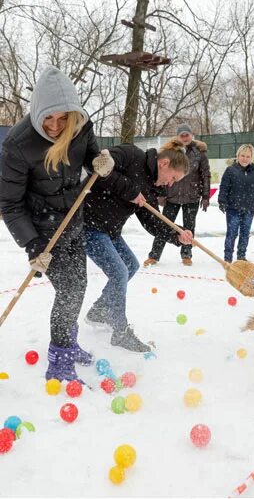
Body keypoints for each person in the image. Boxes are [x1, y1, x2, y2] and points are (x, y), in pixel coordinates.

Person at [0, 66, 111, 381]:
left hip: (73, 221)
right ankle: (59, 361)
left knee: (79, 285)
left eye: (63, 118)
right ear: (36, 112)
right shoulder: (18, 144)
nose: (54, 126)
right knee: (70, 289)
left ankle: (69, 342)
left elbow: (90, 156)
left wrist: (98, 163)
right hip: (43, 231)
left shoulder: (81, 126)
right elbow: (9, 202)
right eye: (48, 118)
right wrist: (32, 244)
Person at [84, 139, 193, 352]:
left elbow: (152, 221)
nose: (171, 184)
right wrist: (130, 190)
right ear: (164, 163)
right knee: (119, 273)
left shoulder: (151, 189)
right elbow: (97, 166)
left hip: (109, 231)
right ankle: (120, 332)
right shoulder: (130, 154)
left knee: (130, 266)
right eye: (173, 178)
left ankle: (98, 311)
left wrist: (176, 234)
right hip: (87, 224)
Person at [144, 124, 210, 267]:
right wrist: (161, 194)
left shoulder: (199, 153)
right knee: (164, 224)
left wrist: (205, 196)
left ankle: (186, 254)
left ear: (192, 135)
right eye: (182, 135)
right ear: (178, 136)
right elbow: (161, 173)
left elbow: (205, 175)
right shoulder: (171, 151)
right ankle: (154, 255)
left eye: (187, 134)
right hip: (172, 196)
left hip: (191, 196)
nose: (185, 137)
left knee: (188, 227)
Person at [218, 144, 254, 262]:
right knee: (232, 233)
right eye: (242, 155)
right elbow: (224, 187)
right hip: (233, 208)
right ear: (238, 156)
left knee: (245, 234)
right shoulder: (230, 170)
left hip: (249, 209)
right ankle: (228, 258)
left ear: (252, 158)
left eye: (248, 156)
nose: (245, 158)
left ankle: (241, 256)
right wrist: (222, 201)